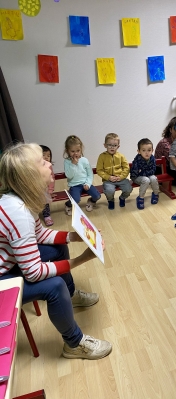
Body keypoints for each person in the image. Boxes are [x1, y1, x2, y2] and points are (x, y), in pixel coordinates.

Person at [0, 143, 112, 360]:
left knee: (58, 246)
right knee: (54, 285)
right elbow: (33, 273)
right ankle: (74, 343)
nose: (50, 164)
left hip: (10, 264)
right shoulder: (18, 213)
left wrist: (73, 236)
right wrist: (83, 258)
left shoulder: (20, 200)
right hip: (3, 280)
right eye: (42, 162)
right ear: (29, 175)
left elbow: (40, 234)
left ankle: (70, 297)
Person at [64, 135, 100, 216]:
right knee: (76, 200)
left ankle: (91, 202)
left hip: (85, 183)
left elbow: (90, 174)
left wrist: (87, 183)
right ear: (67, 151)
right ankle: (68, 205)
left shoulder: (84, 160)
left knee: (97, 196)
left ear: (81, 150)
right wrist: (73, 164)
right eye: (72, 151)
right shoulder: (67, 162)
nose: (75, 153)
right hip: (74, 185)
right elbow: (69, 176)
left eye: (78, 151)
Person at [96, 133, 133, 209]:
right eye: (109, 145)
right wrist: (108, 177)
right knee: (109, 191)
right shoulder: (102, 156)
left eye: (115, 145)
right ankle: (111, 200)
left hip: (121, 178)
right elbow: (99, 170)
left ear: (118, 146)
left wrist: (121, 176)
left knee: (128, 189)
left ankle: (122, 198)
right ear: (105, 145)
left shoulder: (121, 156)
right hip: (108, 180)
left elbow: (126, 168)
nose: (112, 147)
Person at [130, 138, 159, 210]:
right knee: (146, 180)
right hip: (136, 177)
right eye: (143, 150)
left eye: (149, 150)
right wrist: (143, 172)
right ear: (139, 151)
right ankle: (140, 198)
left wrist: (143, 171)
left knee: (154, 178)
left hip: (146, 175)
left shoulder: (152, 158)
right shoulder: (137, 160)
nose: (147, 153)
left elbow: (153, 170)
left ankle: (155, 194)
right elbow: (135, 172)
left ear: (152, 150)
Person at [40, 145, 55, 226]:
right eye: (43, 155)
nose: (46, 157)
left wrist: (50, 190)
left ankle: (47, 216)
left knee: (45, 203)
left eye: (48, 156)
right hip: (35, 189)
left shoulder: (49, 167)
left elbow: (52, 178)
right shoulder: (33, 167)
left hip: (45, 189)